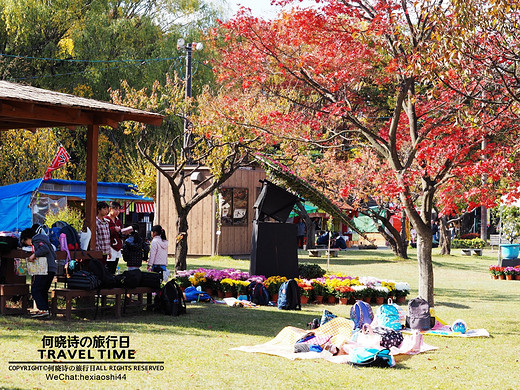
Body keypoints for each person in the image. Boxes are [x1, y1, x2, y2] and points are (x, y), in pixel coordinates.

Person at [20, 227, 57, 318]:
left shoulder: (37, 239)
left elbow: (44, 249)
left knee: (35, 289)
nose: (29, 245)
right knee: (43, 290)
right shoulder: (45, 239)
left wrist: (34, 255)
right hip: (51, 268)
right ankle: (45, 311)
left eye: (26, 243)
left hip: (45, 269)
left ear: (27, 239)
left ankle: (43, 309)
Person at [105, 201, 123, 274]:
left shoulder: (118, 220)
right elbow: (105, 232)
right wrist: (113, 229)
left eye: (118, 210)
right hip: (109, 245)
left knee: (114, 265)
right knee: (108, 266)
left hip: (117, 245)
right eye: (115, 209)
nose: (117, 211)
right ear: (110, 209)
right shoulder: (106, 219)